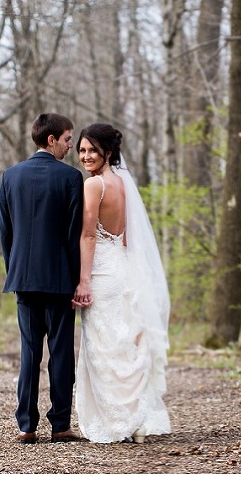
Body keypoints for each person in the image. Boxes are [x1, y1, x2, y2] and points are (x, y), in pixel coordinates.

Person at [72, 123, 171, 444]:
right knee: (126, 342)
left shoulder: (94, 185)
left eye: (93, 150)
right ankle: (136, 418)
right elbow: (128, 237)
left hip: (102, 273)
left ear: (109, 152)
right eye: (82, 150)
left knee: (103, 345)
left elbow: (88, 235)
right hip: (125, 269)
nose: (86, 156)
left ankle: (117, 421)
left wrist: (83, 281)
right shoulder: (125, 183)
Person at [0, 113, 85, 444]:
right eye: (67, 139)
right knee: (61, 353)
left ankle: (26, 426)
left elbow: (6, 233)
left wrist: (15, 269)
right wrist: (76, 279)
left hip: (23, 278)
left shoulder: (10, 176)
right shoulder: (70, 177)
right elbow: (73, 234)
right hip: (59, 279)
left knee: (29, 353)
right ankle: (60, 425)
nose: (70, 145)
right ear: (51, 140)